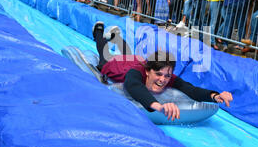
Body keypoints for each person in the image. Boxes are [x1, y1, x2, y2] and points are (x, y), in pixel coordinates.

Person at [92, 21, 233, 121]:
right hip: (114, 65)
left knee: (131, 55)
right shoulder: (135, 73)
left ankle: (114, 37)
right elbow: (133, 85)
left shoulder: (166, 76)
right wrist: (158, 107)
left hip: (137, 59)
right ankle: (99, 31)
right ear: (148, 72)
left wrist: (215, 96)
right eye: (158, 74)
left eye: (167, 75)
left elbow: (191, 89)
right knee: (105, 55)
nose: (163, 80)